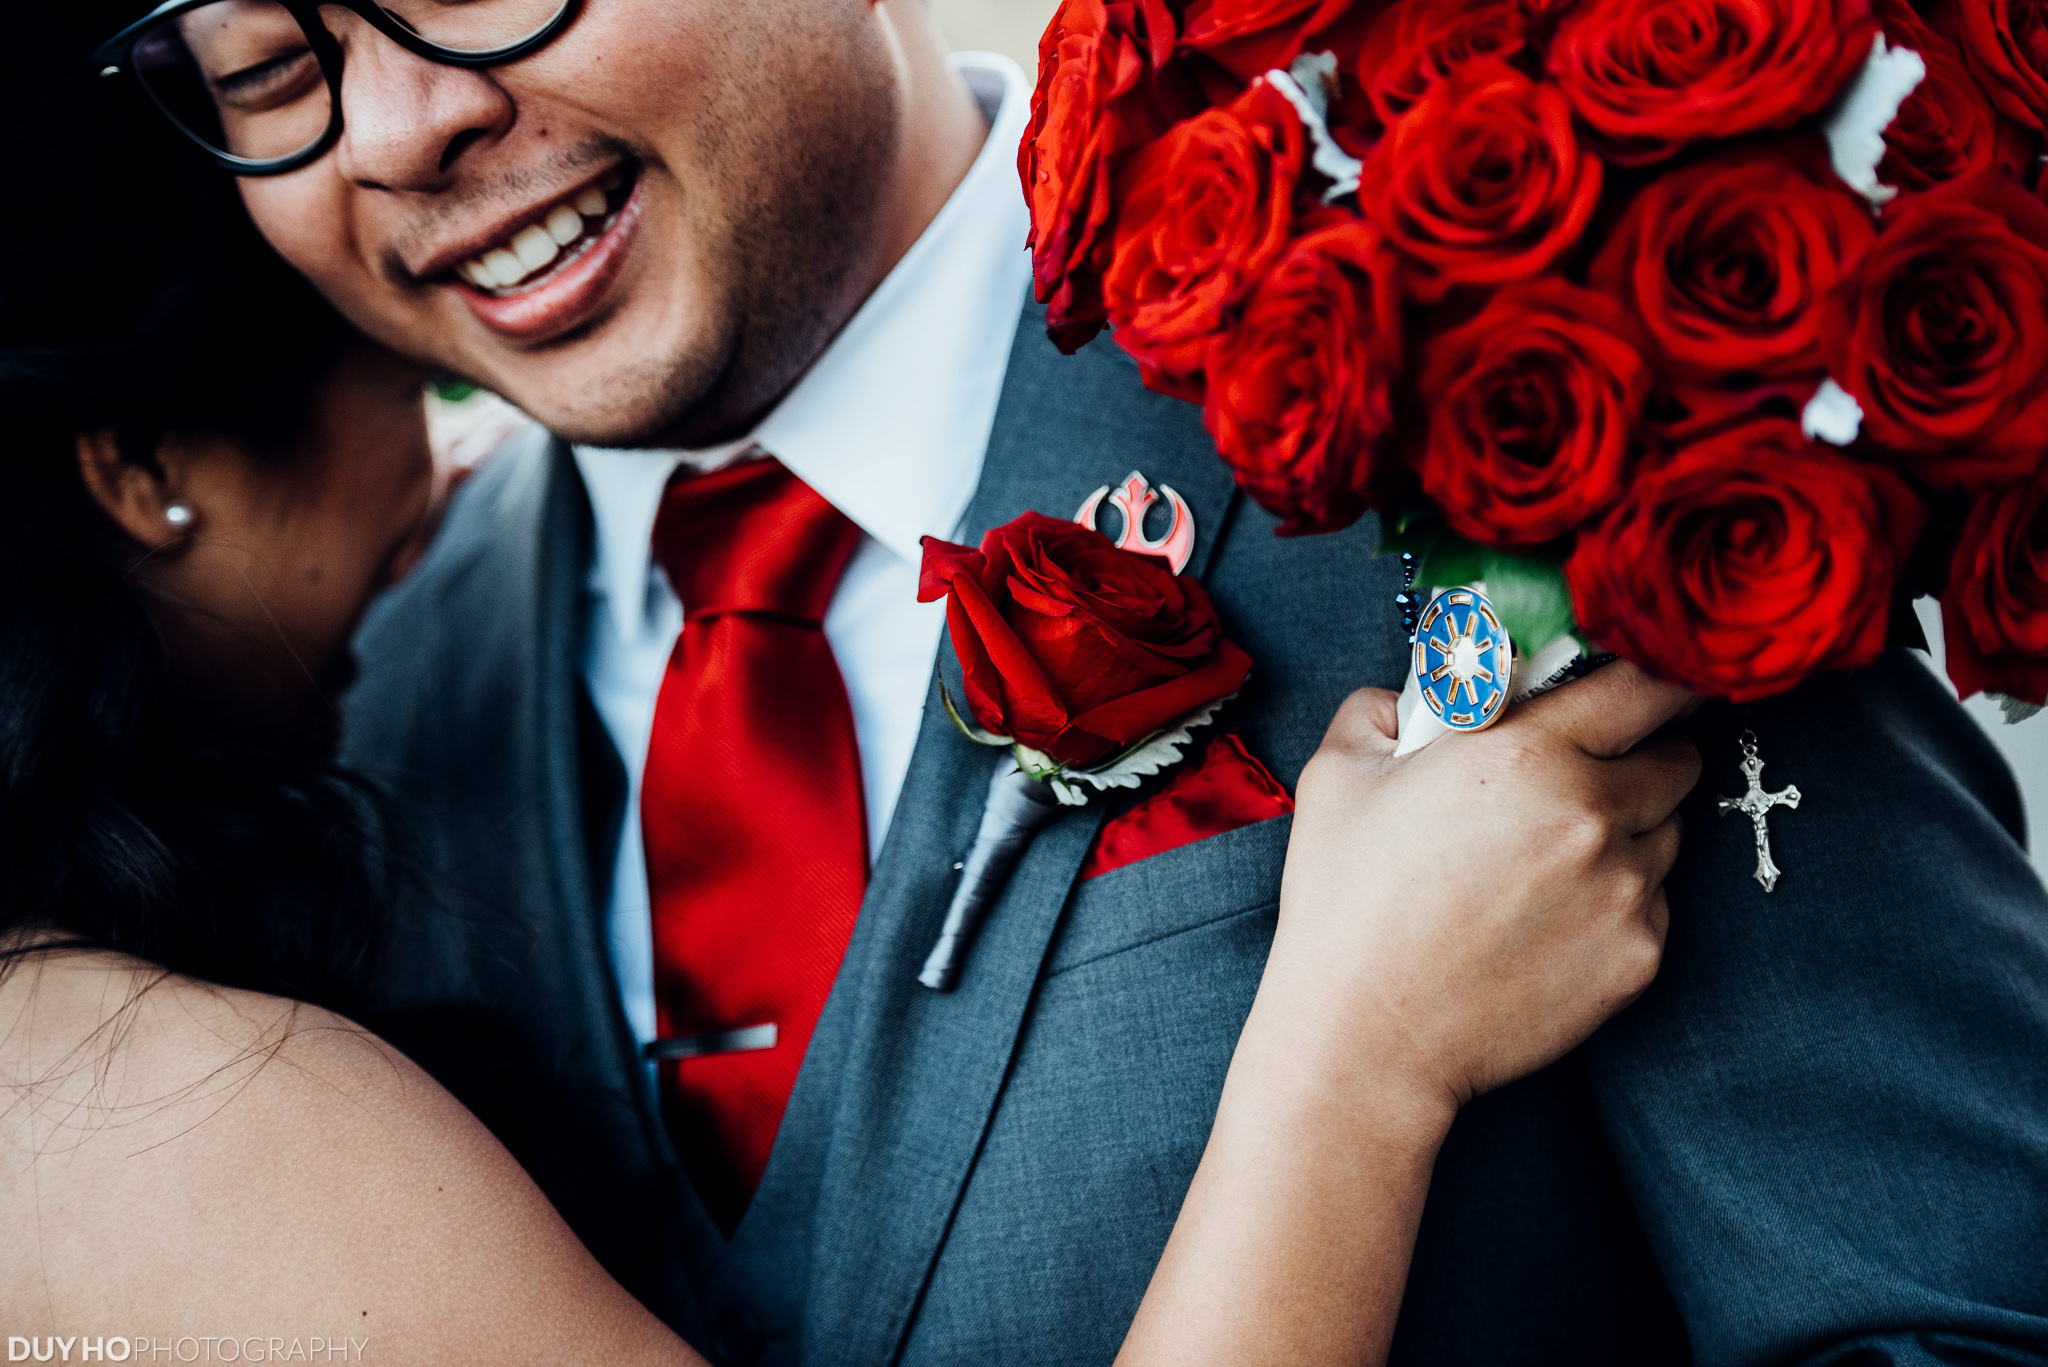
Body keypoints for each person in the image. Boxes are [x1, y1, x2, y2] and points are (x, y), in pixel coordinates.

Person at [87, 0, 2048, 1362]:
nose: (408, 121)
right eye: (274, 62)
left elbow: (1953, 1312)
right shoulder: (362, 726)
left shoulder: (1505, 411)